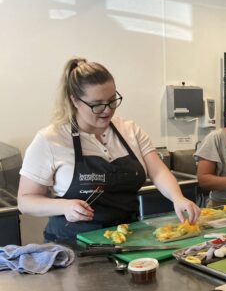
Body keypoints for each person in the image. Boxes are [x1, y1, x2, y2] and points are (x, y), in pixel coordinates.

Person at [17, 57, 200, 242]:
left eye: (112, 100)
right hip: (72, 246)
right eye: (97, 104)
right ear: (75, 101)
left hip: (127, 238)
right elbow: (25, 200)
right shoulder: (51, 140)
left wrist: (177, 198)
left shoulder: (130, 130)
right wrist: (64, 207)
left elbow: (158, 171)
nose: (107, 110)